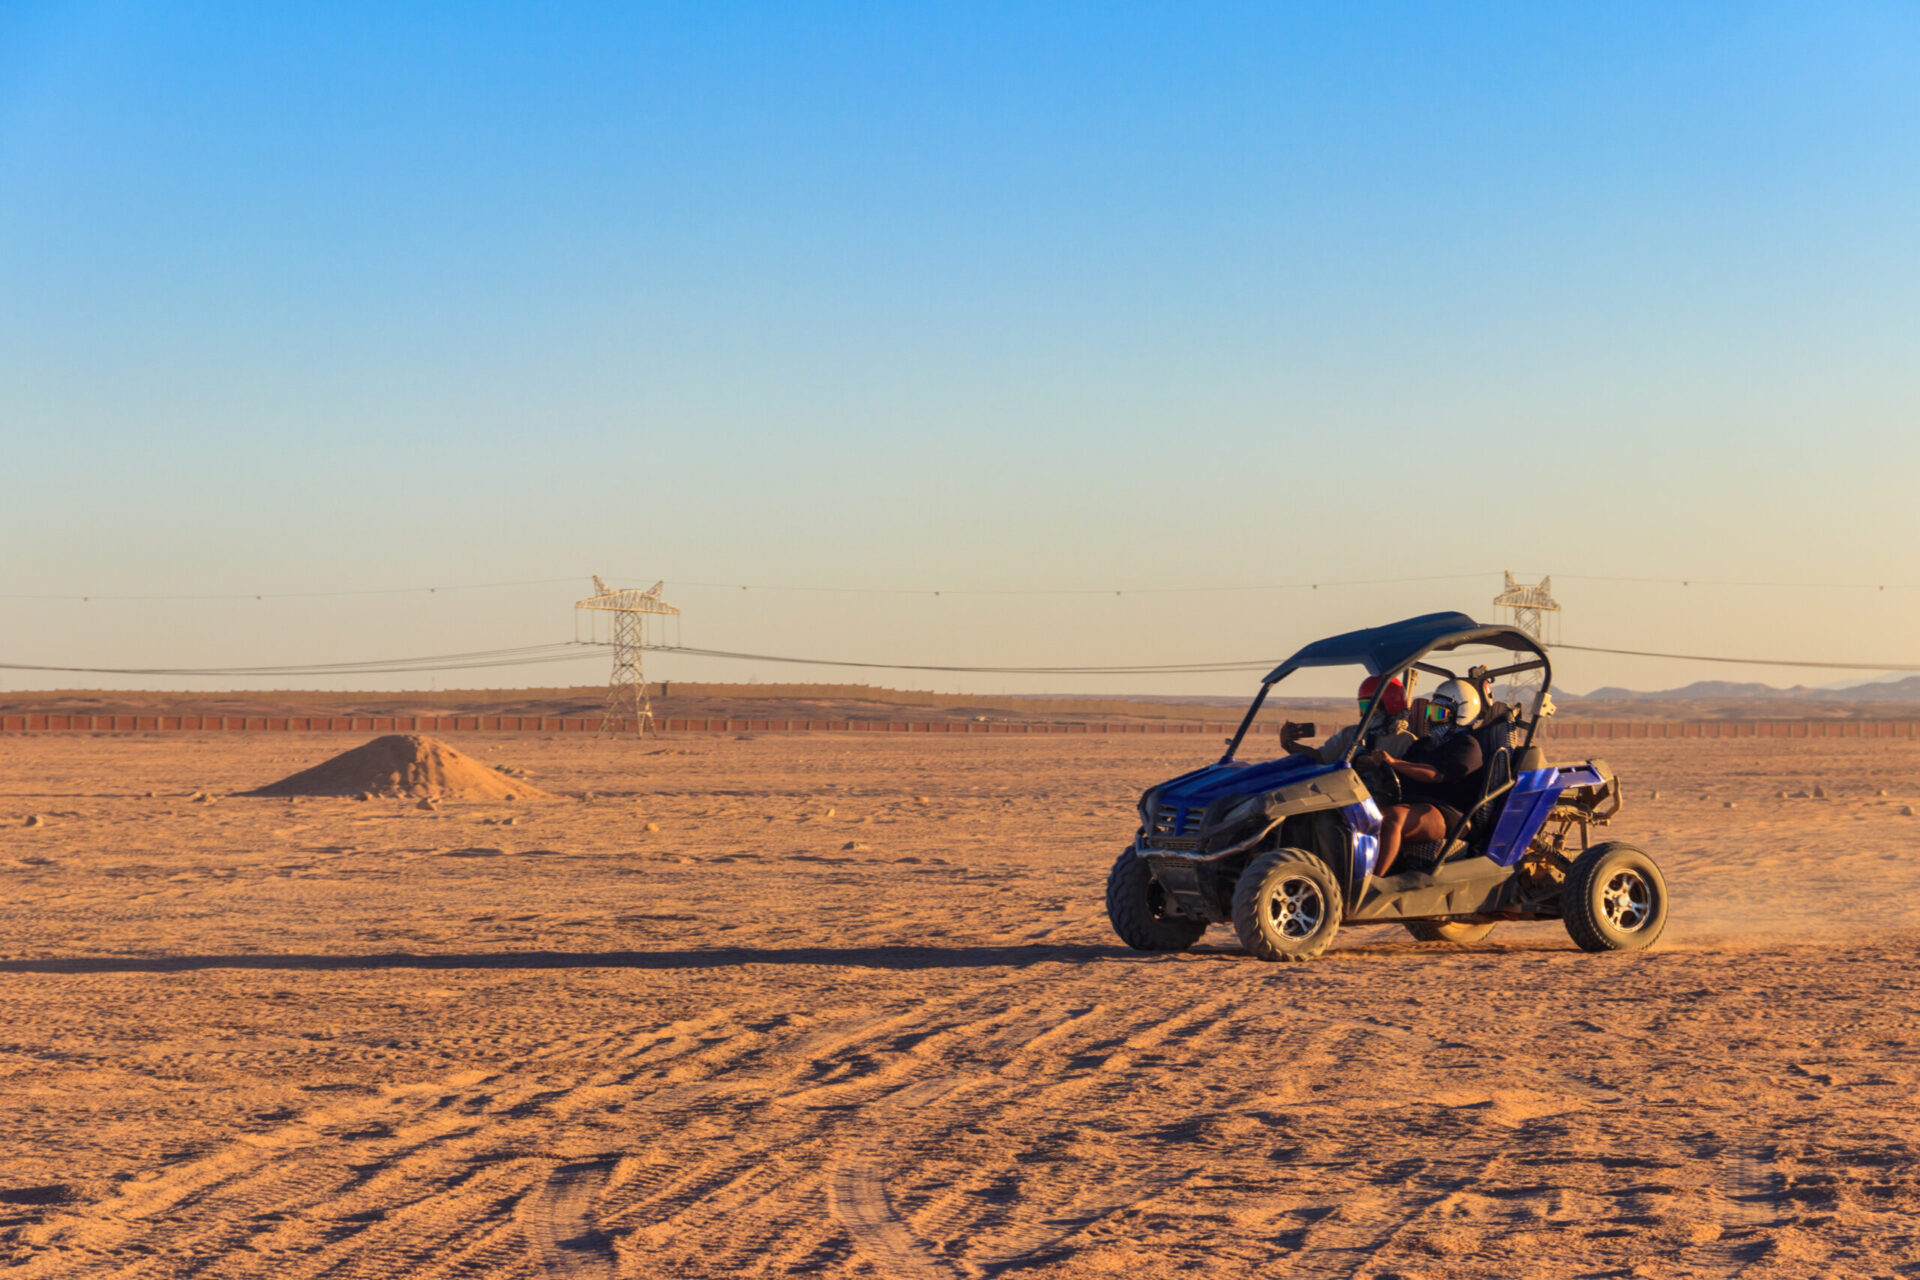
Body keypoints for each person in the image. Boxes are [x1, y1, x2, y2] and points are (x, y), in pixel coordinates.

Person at [1360, 678, 1485, 877]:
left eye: (1439, 714)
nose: (1431, 720)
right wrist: (1376, 764)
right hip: (1415, 803)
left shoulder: (1467, 746)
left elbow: (1435, 775)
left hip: (1451, 814)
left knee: (1392, 819)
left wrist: (1394, 762)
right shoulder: (1423, 744)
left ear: (1461, 715)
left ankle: (1373, 885)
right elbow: (1402, 772)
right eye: (1430, 712)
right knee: (1360, 815)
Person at [1281, 675, 1414, 766]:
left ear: (1390, 704)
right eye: (1363, 707)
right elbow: (1321, 758)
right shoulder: (1351, 734)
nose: (1365, 713)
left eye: (1369, 706)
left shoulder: (1406, 741)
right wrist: (1289, 745)